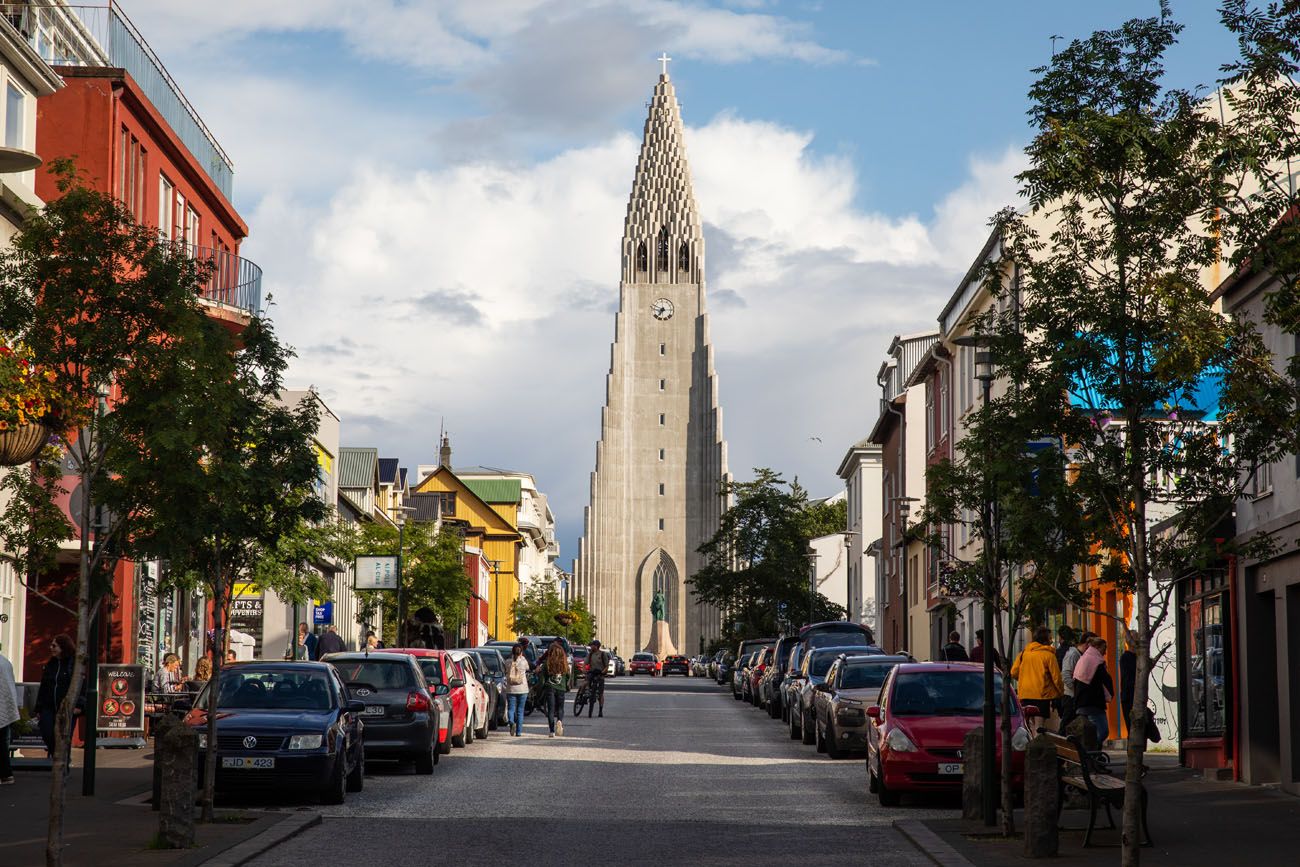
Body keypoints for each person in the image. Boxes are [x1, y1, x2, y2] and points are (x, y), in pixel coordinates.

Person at [35, 634, 81, 758]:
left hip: (67, 708)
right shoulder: (51, 664)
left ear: (63, 647)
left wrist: (79, 706)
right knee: (46, 732)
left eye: (54, 646)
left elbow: (81, 686)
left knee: (64, 737)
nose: (51, 648)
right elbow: (44, 687)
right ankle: (57, 755)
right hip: (49, 707)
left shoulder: (73, 665)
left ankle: (63, 765)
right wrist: (39, 708)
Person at [1010, 626, 1064, 729]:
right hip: (1041, 696)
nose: (1051, 641)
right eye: (1050, 638)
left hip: (1025, 695)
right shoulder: (1049, 656)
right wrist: (1060, 693)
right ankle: (1037, 744)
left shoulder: (1023, 654)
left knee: (1029, 726)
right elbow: (1056, 678)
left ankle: (1029, 744)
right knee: (1039, 727)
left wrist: (1025, 678)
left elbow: (1013, 672)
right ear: (1044, 640)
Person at [1073, 637, 1114, 744]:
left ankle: (1090, 752)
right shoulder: (1096, 662)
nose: (1105, 652)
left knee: (1088, 733)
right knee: (1102, 731)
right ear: (1096, 647)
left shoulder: (1083, 659)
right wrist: (1110, 695)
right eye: (1104, 648)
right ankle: (1090, 751)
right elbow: (1105, 680)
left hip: (1081, 703)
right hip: (1093, 703)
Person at [1059, 630, 1096, 728]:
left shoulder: (1080, 655)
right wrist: (1077, 691)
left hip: (1076, 696)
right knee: (1067, 725)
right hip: (1071, 697)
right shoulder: (1073, 655)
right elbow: (1066, 675)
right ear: (1087, 644)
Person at [536, 641, 569, 737]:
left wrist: (539, 691)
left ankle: (551, 731)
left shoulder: (547, 663)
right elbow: (568, 675)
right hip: (561, 688)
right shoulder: (564, 664)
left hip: (550, 687)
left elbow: (542, 679)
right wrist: (565, 685)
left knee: (551, 709)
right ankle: (559, 721)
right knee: (560, 708)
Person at [0, 649, 19, 785]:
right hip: (6, 706)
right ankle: (6, 774)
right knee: (2, 743)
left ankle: (6, 774)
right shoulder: (5, 662)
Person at [504, 644, 530, 736]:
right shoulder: (523, 661)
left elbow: (505, 670)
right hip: (522, 689)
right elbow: (528, 668)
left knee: (511, 708)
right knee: (520, 711)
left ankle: (511, 721)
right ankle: (518, 732)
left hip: (511, 689)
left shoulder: (508, 662)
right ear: (521, 652)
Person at [585, 640, 611, 718]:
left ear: (596, 646)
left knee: (600, 693)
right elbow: (585, 663)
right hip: (592, 673)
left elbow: (606, 666)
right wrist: (584, 670)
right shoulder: (590, 654)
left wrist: (603, 672)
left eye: (592, 645)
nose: (591, 647)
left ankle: (600, 710)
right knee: (585, 683)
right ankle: (582, 695)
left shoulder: (603, 654)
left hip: (600, 674)